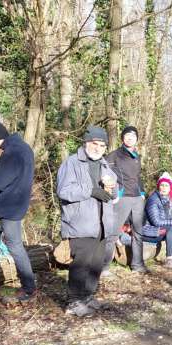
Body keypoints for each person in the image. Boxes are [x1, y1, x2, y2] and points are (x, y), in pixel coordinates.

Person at [57, 126, 118, 317]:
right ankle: (74, 301)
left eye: (102, 145)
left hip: (102, 224)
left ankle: (88, 296)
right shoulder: (72, 163)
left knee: (96, 263)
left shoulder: (106, 166)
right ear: (86, 143)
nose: (98, 148)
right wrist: (91, 190)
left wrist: (111, 190)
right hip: (80, 223)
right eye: (94, 144)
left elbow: (114, 194)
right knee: (81, 264)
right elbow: (64, 191)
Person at [0, 120, 37, 303]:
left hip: (10, 206)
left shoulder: (12, 152)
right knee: (15, 244)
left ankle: (28, 288)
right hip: (17, 202)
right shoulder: (21, 148)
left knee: (15, 246)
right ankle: (29, 285)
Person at [103, 126, 149, 273]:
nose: (130, 138)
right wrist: (115, 192)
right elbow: (104, 172)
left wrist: (142, 192)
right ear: (122, 138)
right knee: (113, 232)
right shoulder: (114, 155)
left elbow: (138, 177)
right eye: (127, 136)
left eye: (133, 136)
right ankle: (104, 267)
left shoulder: (137, 156)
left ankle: (137, 265)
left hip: (137, 198)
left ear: (136, 139)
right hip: (122, 198)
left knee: (138, 232)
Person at [143, 174, 172, 268]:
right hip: (150, 231)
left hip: (161, 229)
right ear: (158, 186)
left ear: (170, 188)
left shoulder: (168, 198)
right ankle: (169, 259)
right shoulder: (153, 200)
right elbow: (156, 222)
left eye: (167, 186)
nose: (164, 188)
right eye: (162, 185)